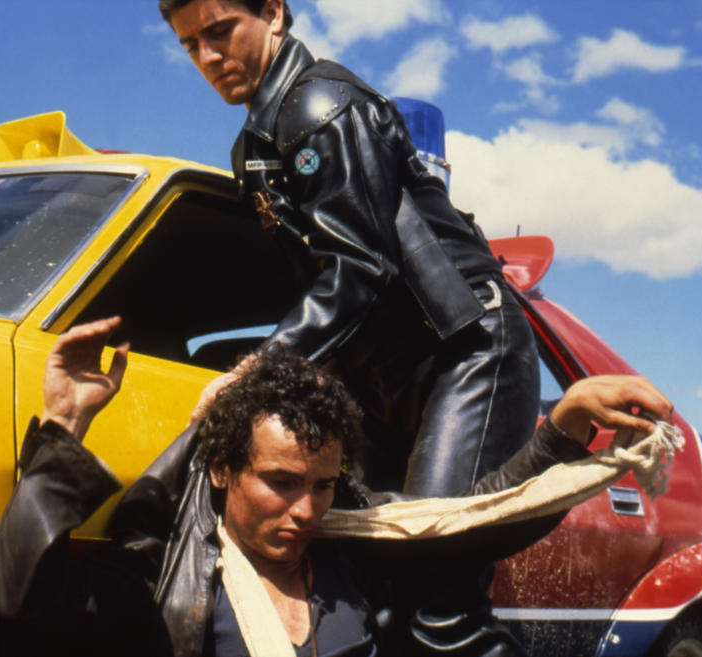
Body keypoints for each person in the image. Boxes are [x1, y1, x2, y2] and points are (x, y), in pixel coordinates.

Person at [160, 1, 540, 651]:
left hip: (468, 354)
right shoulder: (252, 147)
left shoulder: (324, 108)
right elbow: (319, 292)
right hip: (382, 375)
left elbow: (358, 270)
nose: (209, 58)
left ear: (275, 12)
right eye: (191, 45)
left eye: (221, 32)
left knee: (435, 596)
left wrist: (254, 372)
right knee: (377, 593)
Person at [0, 317, 674, 657]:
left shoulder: (351, 549)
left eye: (323, 484)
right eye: (281, 482)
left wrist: (562, 424)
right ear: (222, 468)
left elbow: (471, 523)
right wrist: (63, 427)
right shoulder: (166, 572)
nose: (307, 509)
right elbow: (26, 598)